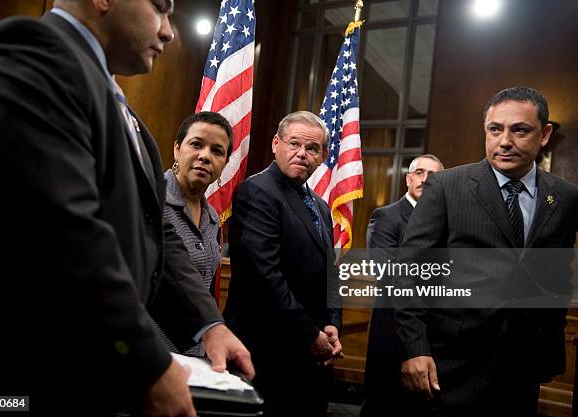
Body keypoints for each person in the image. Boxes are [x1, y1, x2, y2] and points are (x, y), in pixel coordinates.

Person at [0, 1, 252, 416]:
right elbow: (62, 230)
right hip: (15, 385)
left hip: (84, 377)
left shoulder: (131, 123)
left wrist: (209, 324)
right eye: (160, 8)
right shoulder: (29, 53)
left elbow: (158, 237)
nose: (169, 31)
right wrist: (147, 363)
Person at [394, 87, 578, 416]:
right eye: (495, 129)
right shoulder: (447, 186)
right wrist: (414, 348)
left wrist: (550, 343)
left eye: (519, 130)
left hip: (524, 367)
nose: (504, 141)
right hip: (451, 363)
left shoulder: (565, 197)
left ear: (545, 133)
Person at [224, 111, 343, 417]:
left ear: (323, 156)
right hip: (267, 353)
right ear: (276, 144)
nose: (302, 154)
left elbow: (330, 271)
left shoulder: (320, 205)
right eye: (294, 144)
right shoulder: (258, 191)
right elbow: (264, 276)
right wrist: (309, 334)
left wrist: (332, 323)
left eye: (312, 149)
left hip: (311, 357)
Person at [361, 154, 443, 417]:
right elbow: (389, 275)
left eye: (433, 175)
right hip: (392, 332)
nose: (425, 179)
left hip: (433, 334)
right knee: (384, 406)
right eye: (420, 172)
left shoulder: (447, 222)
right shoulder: (386, 217)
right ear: (409, 178)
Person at [162, 111, 233, 356]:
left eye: (217, 151)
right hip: (150, 353)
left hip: (198, 354)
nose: (205, 156)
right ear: (177, 149)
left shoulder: (213, 218)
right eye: (196, 144)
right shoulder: (150, 199)